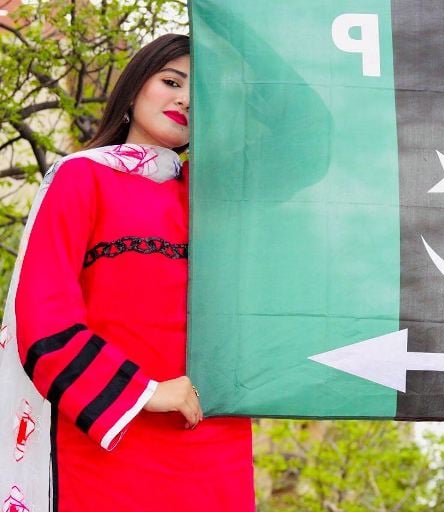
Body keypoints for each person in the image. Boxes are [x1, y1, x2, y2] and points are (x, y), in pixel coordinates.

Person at [0, 34, 254, 511]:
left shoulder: (217, 202)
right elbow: (42, 315)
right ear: (136, 86)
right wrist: (145, 391)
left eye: (203, 95)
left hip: (212, 438)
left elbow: (309, 132)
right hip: (109, 434)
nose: (184, 100)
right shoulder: (83, 177)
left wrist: (241, 25)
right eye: (171, 81)